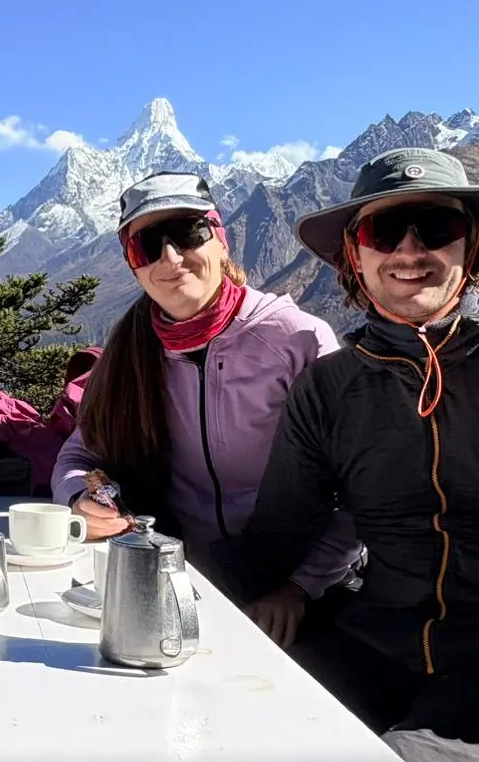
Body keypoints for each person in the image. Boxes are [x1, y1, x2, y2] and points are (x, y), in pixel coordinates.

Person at [213, 147, 479, 761]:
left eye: (437, 227)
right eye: (384, 229)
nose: (410, 250)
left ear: (471, 247)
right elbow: (277, 535)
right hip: (367, 644)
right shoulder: (331, 387)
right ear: (356, 254)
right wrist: (139, 557)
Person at [50, 171, 363, 647]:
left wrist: (299, 588)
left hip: (303, 582)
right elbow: (80, 457)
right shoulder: (129, 355)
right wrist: (80, 499)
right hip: (182, 580)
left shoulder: (296, 339)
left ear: (221, 239)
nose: (170, 258)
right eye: (147, 246)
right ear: (133, 265)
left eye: (187, 234)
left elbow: (360, 487)